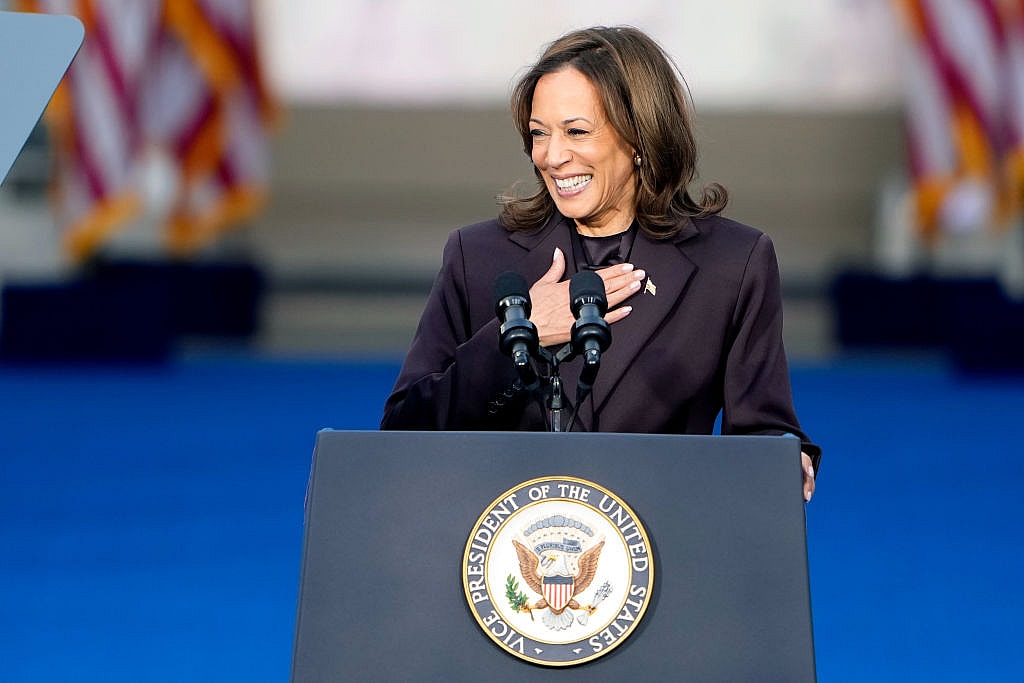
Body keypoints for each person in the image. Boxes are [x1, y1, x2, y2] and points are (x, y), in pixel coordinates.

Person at [380, 26, 820, 501]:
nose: (552, 156)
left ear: (638, 136)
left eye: (576, 131)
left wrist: (782, 461)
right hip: (502, 549)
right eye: (538, 134)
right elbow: (405, 429)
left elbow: (762, 429)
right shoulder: (479, 256)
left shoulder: (731, 265)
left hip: (660, 547)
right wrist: (516, 335)